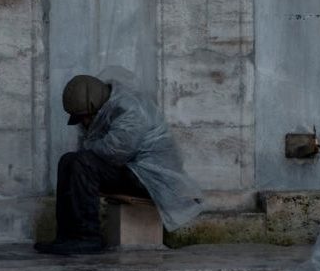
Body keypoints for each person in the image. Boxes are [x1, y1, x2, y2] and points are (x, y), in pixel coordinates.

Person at [35, 74, 203, 255]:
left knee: (82, 163)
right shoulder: (104, 108)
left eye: (84, 117)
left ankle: (87, 237)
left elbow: (114, 152)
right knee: (67, 161)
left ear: (94, 106)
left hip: (149, 179)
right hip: (130, 170)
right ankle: (67, 236)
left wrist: (88, 146)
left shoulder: (130, 109)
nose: (84, 123)